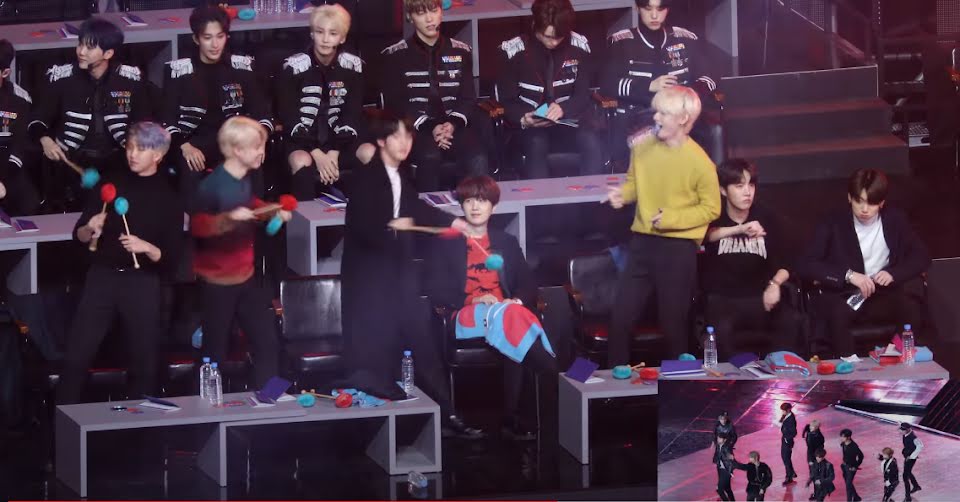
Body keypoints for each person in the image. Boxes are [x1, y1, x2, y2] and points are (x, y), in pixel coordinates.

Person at [341, 109, 482, 439]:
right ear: (381, 141)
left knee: (424, 343)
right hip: (372, 283)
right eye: (397, 137)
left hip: (401, 276)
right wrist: (391, 227)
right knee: (377, 361)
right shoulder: (365, 179)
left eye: (408, 136)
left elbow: (415, 207)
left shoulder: (401, 175)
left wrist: (454, 221)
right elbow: (362, 228)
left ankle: (447, 414)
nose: (405, 143)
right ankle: (380, 435)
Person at [57, 122, 184, 404]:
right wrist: (89, 228)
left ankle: (140, 424)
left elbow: (172, 259)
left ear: (158, 155)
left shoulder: (169, 198)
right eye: (130, 147)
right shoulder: (110, 184)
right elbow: (79, 236)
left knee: (144, 362)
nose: (133, 154)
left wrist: (147, 248)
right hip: (102, 278)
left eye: (141, 149)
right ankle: (63, 420)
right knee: (76, 356)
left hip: (142, 283)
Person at [424, 175, 558, 440]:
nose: (475, 206)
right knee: (512, 322)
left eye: (482, 200)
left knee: (510, 317)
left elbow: (527, 284)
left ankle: (512, 416)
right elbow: (435, 289)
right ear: (461, 206)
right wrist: (472, 300)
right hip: (465, 315)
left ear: (493, 207)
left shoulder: (506, 241)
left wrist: (514, 301)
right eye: (469, 201)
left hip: (504, 316)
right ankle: (550, 369)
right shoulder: (446, 243)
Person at [604, 85, 720, 366]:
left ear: (683, 119)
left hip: (678, 250)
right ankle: (616, 383)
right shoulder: (642, 147)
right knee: (620, 319)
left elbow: (711, 208)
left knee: (673, 325)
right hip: (642, 243)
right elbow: (634, 183)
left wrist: (671, 219)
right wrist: (623, 195)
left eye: (663, 113)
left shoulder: (700, 163)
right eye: (656, 111)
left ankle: (677, 385)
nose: (655, 118)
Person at [189, 116, 283, 390]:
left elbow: (249, 204)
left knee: (268, 343)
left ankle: (269, 401)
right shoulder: (211, 185)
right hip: (217, 284)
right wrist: (228, 219)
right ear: (238, 151)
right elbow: (197, 226)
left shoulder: (244, 180)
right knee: (214, 352)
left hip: (246, 278)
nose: (262, 152)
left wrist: (270, 210)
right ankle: (203, 406)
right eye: (257, 147)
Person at [796, 168, 931, 358]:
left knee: (910, 305)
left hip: (882, 292)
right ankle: (849, 364)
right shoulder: (832, 222)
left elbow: (922, 256)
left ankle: (898, 357)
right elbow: (806, 264)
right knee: (836, 314)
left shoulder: (895, 219)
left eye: (872, 203)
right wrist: (848, 275)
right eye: (859, 201)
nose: (865, 209)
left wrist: (893, 273)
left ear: (881, 203)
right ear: (850, 198)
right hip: (850, 294)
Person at [28, 18, 149, 212]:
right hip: (72, 162)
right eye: (80, 44)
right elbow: (36, 119)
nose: (81, 51)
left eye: (90, 47)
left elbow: (146, 122)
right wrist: (45, 140)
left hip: (118, 161)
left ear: (108, 53)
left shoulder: (130, 79)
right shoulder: (62, 78)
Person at [162, 5, 273, 202]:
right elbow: (166, 118)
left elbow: (262, 114)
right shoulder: (178, 72)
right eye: (208, 38)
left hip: (234, 140)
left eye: (220, 37)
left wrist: (259, 142)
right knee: (190, 165)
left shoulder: (242, 68)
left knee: (253, 162)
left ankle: (254, 217)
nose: (215, 44)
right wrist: (184, 146)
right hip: (194, 141)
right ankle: (195, 219)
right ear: (196, 39)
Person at [380, 0, 488, 192]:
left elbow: (468, 98)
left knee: (477, 157)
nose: (429, 19)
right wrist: (430, 126)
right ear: (410, 17)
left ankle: (476, 208)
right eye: (421, 13)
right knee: (430, 157)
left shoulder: (461, 51)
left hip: (455, 125)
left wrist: (451, 124)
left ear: (441, 12)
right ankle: (427, 211)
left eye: (433, 10)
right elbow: (395, 103)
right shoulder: (395, 55)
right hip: (415, 129)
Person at [600, 0, 722, 166]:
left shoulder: (685, 38)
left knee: (711, 131)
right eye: (648, 9)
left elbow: (710, 77)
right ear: (637, 8)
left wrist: (684, 95)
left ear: (667, 9)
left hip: (683, 114)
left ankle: (705, 179)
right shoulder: (621, 42)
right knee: (658, 137)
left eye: (660, 9)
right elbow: (607, 84)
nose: (654, 15)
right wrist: (648, 86)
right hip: (639, 115)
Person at [702, 158, 801, 357]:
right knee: (719, 329)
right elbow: (705, 236)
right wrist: (740, 229)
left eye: (751, 185)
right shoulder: (713, 217)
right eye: (739, 186)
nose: (747, 192)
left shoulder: (767, 217)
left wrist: (775, 284)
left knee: (790, 320)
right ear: (723, 190)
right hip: (724, 300)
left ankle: (782, 372)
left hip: (761, 296)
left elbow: (788, 261)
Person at [495, 0, 603, 179]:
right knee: (537, 142)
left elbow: (583, 94)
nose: (553, 42)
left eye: (559, 37)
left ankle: (593, 196)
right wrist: (524, 118)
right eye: (547, 36)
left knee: (591, 140)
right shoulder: (513, 52)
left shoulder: (579, 46)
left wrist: (563, 109)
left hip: (569, 121)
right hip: (529, 126)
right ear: (535, 25)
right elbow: (505, 100)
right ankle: (539, 198)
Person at [279, 4, 374, 201]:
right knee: (301, 160)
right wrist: (317, 154)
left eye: (333, 33)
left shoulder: (353, 67)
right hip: (302, 140)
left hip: (343, 140)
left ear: (342, 38)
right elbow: (288, 115)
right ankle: (304, 217)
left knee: (370, 152)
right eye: (320, 32)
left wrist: (333, 152)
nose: (325, 39)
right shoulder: (292, 67)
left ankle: (366, 212)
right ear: (312, 34)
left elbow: (352, 112)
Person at [0, 39, 39, 216]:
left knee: (29, 203)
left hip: (8, 166)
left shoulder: (19, 100)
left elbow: (19, 146)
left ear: (5, 72)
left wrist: (3, 181)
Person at [900, 423, 923, 501]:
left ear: (908, 429)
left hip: (910, 458)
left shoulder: (913, 437)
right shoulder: (906, 434)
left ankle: (908, 496)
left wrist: (912, 456)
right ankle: (916, 486)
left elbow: (920, 446)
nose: (901, 431)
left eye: (903, 430)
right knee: (908, 472)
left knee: (905, 476)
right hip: (907, 456)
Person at [839, 428, 864, 502]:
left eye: (843, 437)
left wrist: (856, 466)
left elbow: (861, 456)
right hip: (844, 466)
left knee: (848, 485)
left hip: (851, 467)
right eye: (841, 436)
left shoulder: (854, 447)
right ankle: (856, 497)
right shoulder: (843, 443)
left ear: (848, 437)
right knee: (848, 483)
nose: (841, 438)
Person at [714, 432, 736, 501]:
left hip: (726, 470)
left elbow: (731, 459)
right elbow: (717, 454)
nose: (718, 439)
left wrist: (730, 471)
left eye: (720, 438)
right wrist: (715, 460)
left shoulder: (727, 448)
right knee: (727, 488)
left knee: (719, 489)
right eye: (718, 438)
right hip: (720, 469)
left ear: (725, 440)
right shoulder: (718, 446)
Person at [780, 402, 798, 486]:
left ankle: (789, 476)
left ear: (788, 410)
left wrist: (787, 438)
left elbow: (794, 433)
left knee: (786, 459)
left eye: (783, 410)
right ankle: (792, 472)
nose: (782, 412)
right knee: (785, 458)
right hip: (785, 440)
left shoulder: (791, 419)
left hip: (787, 441)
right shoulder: (787, 416)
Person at [803, 419, 825, 484]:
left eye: (812, 426)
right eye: (810, 426)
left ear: (816, 427)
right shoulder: (812, 433)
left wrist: (811, 460)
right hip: (814, 455)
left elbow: (812, 448)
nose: (810, 427)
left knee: (815, 472)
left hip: (815, 456)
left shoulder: (816, 436)